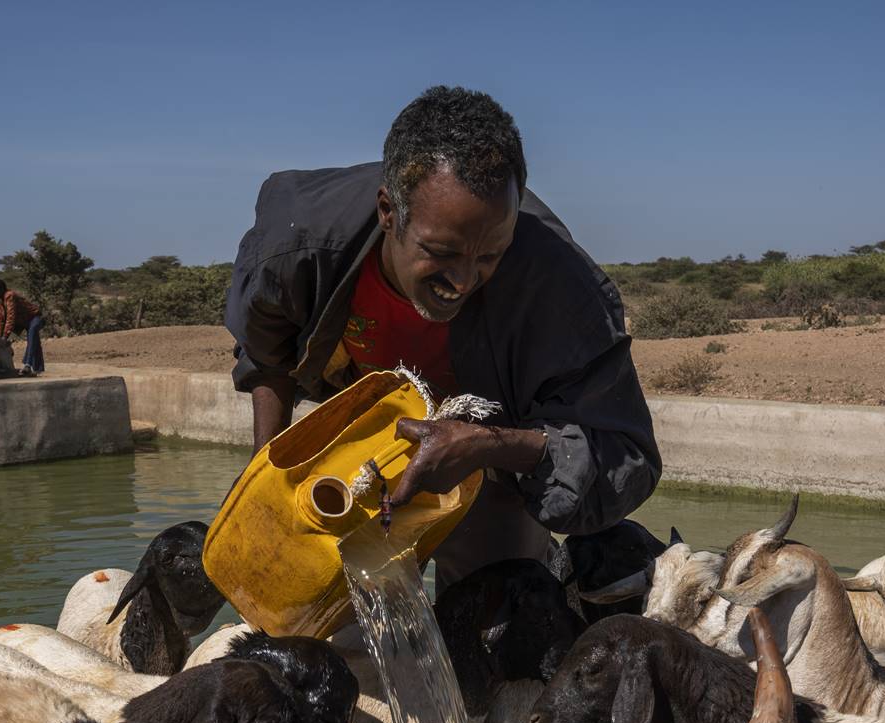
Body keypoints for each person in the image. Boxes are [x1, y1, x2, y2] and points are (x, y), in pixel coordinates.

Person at [225, 86, 659, 586]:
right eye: (442, 252)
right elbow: (267, 351)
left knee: (498, 611)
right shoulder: (299, 244)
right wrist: (268, 476)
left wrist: (486, 445)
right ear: (389, 213)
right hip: (357, 452)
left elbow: (626, 457)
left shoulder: (561, 290)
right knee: (311, 617)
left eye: (490, 255)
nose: (463, 280)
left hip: (486, 469)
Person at [0, 280, 43, 375]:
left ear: (2, 289)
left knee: (32, 337)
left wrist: (5, 336)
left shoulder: (9, 296)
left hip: (35, 317)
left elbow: (11, 316)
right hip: (26, 321)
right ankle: (38, 368)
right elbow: (1, 320)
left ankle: (27, 365)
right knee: (34, 340)